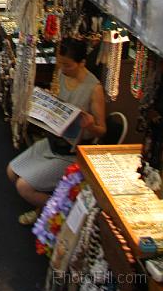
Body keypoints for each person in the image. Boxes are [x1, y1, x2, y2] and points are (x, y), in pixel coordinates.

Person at [7, 37, 106, 225]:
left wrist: (90, 126)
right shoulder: (62, 74)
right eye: (60, 63)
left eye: (67, 65)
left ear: (82, 63)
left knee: (24, 187)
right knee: (12, 171)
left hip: (71, 152)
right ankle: (46, 209)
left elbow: (101, 130)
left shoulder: (94, 89)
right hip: (54, 141)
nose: (62, 69)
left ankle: (62, 209)